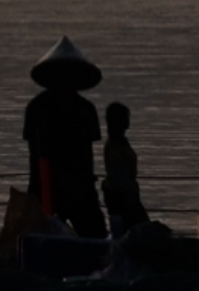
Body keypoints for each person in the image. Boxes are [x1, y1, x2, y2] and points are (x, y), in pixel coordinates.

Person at [24, 38, 105, 236]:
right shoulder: (42, 107)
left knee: (93, 236)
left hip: (73, 186)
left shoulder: (40, 106)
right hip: (53, 186)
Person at [102, 100, 146, 237]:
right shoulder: (114, 146)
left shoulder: (121, 143)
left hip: (127, 194)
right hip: (123, 198)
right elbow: (118, 175)